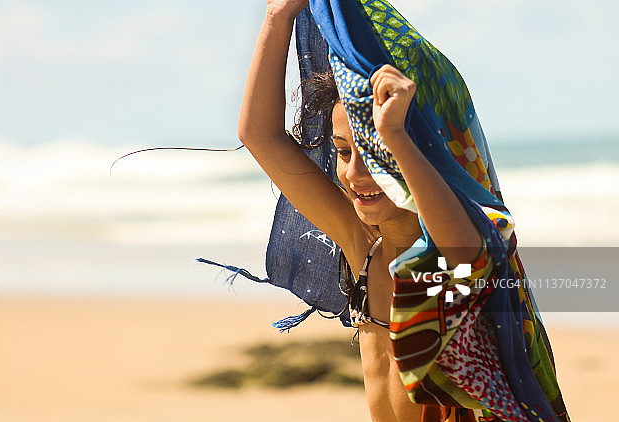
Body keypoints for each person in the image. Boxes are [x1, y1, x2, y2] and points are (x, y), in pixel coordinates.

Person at [237, 1, 569, 421]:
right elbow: (259, 135)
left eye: (375, 156)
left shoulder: (458, 250)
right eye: (341, 151)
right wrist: (278, 17)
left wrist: (395, 133)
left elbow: (466, 252)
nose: (355, 174)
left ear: (425, 151)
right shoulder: (363, 247)